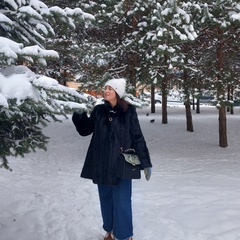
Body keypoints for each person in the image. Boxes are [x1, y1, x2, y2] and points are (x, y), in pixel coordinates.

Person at [72, 78, 152, 240]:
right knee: (105, 199)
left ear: (118, 92)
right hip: (101, 162)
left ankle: (124, 235)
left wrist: (145, 162)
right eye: (105, 88)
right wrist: (79, 114)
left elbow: (137, 136)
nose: (106, 91)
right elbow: (85, 130)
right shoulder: (99, 110)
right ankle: (109, 231)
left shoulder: (129, 111)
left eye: (110, 88)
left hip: (122, 163)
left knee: (122, 201)